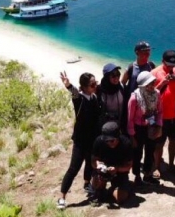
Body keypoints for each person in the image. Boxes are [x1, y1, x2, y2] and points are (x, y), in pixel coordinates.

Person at [57, 71, 101, 210]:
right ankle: (62, 197)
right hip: (80, 140)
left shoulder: (94, 97)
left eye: (96, 83)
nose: (95, 85)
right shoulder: (80, 99)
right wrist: (68, 85)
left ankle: (87, 184)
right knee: (73, 168)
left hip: (92, 139)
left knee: (90, 163)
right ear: (84, 86)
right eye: (92, 84)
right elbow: (74, 92)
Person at [151, 49, 175, 175]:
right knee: (159, 143)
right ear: (162, 61)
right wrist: (163, 82)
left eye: (173, 65)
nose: (171, 67)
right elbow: (149, 93)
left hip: (174, 115)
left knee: (173, 140)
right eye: (168, 64)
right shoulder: (154, 73)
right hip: (160, 115)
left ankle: (171, 164)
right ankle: (157, 166)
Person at [127, 70, 163, 187]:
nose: (152, 86)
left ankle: (147, 175)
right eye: (149, 84)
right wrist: (132, 136)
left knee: (150, 151)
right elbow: (130, 119)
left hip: (150, 126)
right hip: (138, 129)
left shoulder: (157, 94)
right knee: (137, 153)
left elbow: (159, 112)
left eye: (153, 83)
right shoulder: (134, 98)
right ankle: (137, 176)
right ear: (143, 85)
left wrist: (158, 125)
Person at [91, 121, 134, 206]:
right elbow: (93, 161)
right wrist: (98, 165)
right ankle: (101, 189)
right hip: (103, 171)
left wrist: (117, 169)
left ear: (117, 137)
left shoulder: (126, 144)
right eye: (106, 141)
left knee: (120, 199)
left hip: (120, 172)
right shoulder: (99, 141)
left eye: (112, 140)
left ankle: (115, 188)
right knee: (96, 184)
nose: (109, 143)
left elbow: (129, 166)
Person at [97, 62, 127, 132]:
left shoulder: (122, 88)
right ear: (107, 77)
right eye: (113, 75)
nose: (116, 77)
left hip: (120, 124)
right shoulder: (99, 90)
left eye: (118, 74)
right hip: (105, 127)